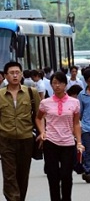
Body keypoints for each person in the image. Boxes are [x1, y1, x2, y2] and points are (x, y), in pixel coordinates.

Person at [35, 71, 84, 201]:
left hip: (68, 142)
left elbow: (76, 123)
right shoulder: (45, 102)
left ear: (65, 85)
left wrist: (79, 142)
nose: (57, 86)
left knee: (66, 175)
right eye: (54, 83)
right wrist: (42, 132)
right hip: (50, 141)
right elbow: (38, 118)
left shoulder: (74, 102)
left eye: (60, 83)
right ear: (51, 85)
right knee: (53, 175)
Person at [0, 61, 41, 201]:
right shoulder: (0, 95)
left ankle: (19, 198)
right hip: (6, 139)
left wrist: (43, 133)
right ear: (5, 76)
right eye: (11, 73)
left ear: (22, 74)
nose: (15, 75)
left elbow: (39, 116)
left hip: (26, 139)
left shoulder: (31, 93)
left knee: (22, 175)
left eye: (17, 72)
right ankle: (13, 198)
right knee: (9, 174)